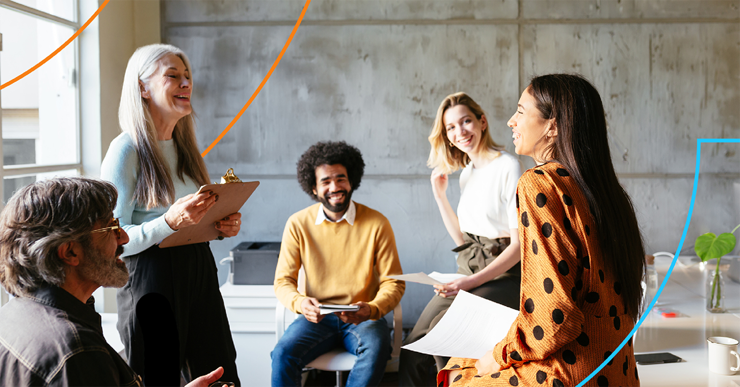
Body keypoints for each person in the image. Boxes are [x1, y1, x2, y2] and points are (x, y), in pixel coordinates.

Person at [439, 74, 646, 387]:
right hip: (618, 371)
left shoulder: (540, 183)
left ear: (553, 126)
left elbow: (554, 321)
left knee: (455, 373)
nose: (511, 121)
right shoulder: (608, 192)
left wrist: (494, 357)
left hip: (569, 372)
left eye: (521, 112)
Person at [0, 177, 229, 387]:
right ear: (70, 253)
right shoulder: (78, 352)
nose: (124, 237)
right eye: (111, 227)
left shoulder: (11, 316)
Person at [101, 44, 241, 386]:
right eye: (173, 76)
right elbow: (111, 242)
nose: (186, 83)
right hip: (151, 279)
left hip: (199, 268)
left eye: (188, 76)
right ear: (143, 88)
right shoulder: (126, 150)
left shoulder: (185, 148)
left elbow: (190, 222)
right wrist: (168, 223)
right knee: (156, 378)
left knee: (222, 371)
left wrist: (219, 225)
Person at [399, 92, 523, 387]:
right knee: (413, 345)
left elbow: (518, 247)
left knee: (444, 335)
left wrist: (468, 283)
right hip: (470, 271)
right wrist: (440, 196)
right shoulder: (467, 173)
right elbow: (465, 241)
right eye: (451, 128)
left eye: (465, 121)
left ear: (482, 122)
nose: (459, 132)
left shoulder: (508, 166)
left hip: (506, 275)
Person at [272, 141, 405, 387]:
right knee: (282, 354)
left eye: (340, 178)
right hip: (316, 318)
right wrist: (301, 303)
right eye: (325, 181)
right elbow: (283, 281)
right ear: (313, 187)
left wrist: (372, 308)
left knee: (376, 350)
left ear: (351, 180)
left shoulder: (377, 223)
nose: (335, 187)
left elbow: (393, 282)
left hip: (363, 317)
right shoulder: (298, 224)